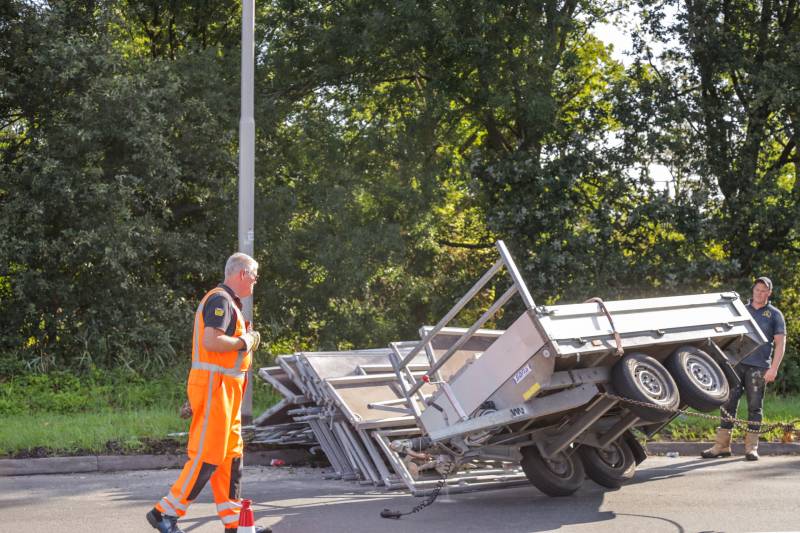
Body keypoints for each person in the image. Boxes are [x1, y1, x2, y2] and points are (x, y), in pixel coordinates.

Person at [147, 253, 271, 533]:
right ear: (241, 274)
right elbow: (212, 342)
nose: (255, 281)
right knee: (208, 454)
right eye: (254, 275)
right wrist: (246, 341)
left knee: (231, 455)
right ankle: (164, 513)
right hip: (217, 390)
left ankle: (235, 523)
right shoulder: (221, 301)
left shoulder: (228, 303)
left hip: (224, 390)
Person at [702, 276, 787, 461]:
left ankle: (751, 448)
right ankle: (722, 446)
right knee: (728, 403)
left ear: (769, 293)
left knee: (755, 407)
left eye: (764, 290)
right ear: (753, 290)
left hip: (759, 367)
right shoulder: (741, 310)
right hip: (735, 364)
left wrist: (774, 369)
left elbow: (780, 344)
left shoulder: (774, 314)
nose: (760, 293)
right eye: (757, 289)